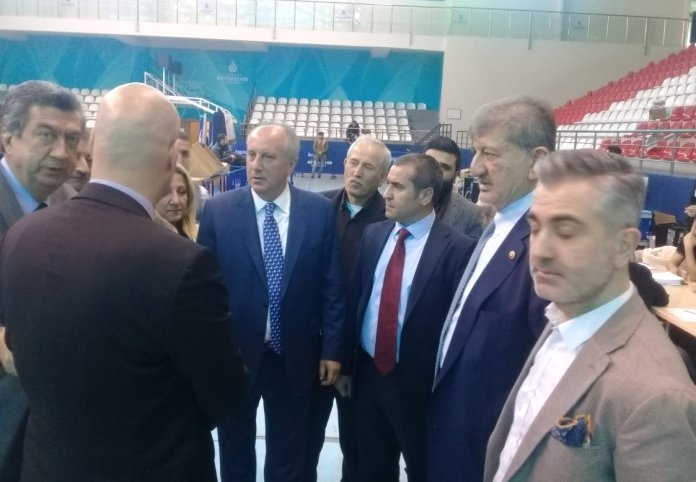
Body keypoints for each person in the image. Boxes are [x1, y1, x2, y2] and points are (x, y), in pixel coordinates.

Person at [0, 83, 249, 481]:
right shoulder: (180, 263)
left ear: (91, 144)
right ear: (171, 155)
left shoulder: (23, 235)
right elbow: (225, 395)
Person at [485, 149, 696, 482]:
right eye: (536, 228)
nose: (540, 251)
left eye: (567, 232)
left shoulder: (657, 397)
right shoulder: (563, 316)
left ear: (623, 246)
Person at [197, 123, 345, 482]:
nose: (255, 165)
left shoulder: (318, 212)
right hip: (235, 357)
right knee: (234, 451)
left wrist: (332, 349)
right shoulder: (218, 211)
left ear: (291, 163)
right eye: (251, 154)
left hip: (293, 356)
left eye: (268, 157)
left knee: (288, 455)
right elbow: (203, 290)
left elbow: (331, 285)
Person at [428, 96, 553, 482]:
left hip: (490, 450)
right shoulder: (500, 224)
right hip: (456, 434)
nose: (475, 167)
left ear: (537, 161)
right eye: (476, 151)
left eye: (491, 154)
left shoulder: (546, 245)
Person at [351, 153, 475, 482]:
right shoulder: (374, 235)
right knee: (372, 468)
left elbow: (457, 328)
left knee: (422, 468)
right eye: (387, 184)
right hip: (369, 376)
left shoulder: (458, 249)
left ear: (425, 195)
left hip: (418, 385)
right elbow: (358, 300)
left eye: (397, 187)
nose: (387, 194)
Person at [0, 80, 85, 481]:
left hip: (58, 423)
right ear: (8, 139)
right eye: (46, 135)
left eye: (72, 139)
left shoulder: (75, 205)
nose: (61, 152)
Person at [305, 137, 391, 482]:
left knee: (358, 450)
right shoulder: (317, 210)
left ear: (383, 176)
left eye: (367, 167)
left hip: (359, 359)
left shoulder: (391, 221)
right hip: (312, 351)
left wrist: (348, 360)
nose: (356, 172)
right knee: (302, 444)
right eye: (352, 163)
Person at [425, 135, 483, 239]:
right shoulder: (400, 202)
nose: (436, 172)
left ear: (455, 175)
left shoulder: (471, 214)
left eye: (444, 168)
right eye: (430, 163)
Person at [155, 163, 198, 240]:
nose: (176, 201)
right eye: (165, 192)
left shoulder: (199, 236)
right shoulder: (141, 238)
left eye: (182, 192)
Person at [174, 129, 210, 219]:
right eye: (174, 153)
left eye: (185, 154)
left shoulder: (201, 196)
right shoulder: (151, 195)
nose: (179, 160)